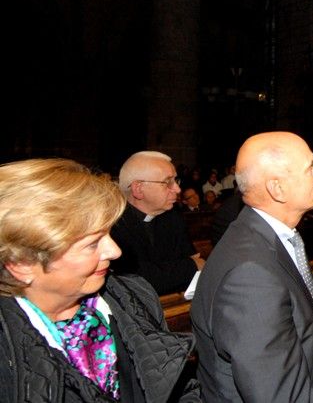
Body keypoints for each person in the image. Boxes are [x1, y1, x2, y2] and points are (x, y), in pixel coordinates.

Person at [0, 158, 200, 402]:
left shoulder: (133, 297)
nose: (114, 251)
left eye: (108, 233)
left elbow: (176, 387)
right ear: (22, 264)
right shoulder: (7, 347)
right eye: (92, 243)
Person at [191, 132, 313, 401]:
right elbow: (283, 398)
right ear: (277, 188)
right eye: (310, 166)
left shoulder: (276, 237)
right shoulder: (249, 274)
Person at [111, 151, 203, 295]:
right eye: (167, 182)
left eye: (175, 181)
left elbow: (193, 258)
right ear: (138, 189)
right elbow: (134, 281)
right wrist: (187, 267)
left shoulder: (173, 216)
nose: (178, 189)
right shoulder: (113, 224)